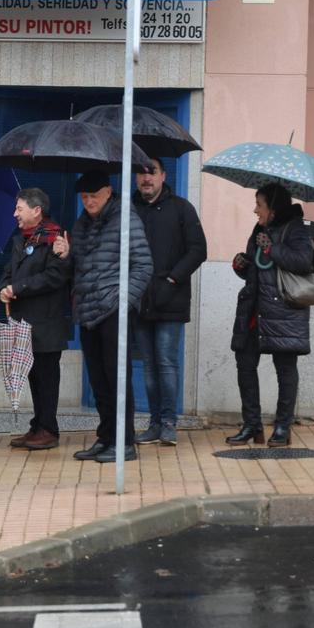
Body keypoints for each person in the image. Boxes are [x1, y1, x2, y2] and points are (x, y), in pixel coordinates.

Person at [55, 171, 152, 463]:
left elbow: (144, 265)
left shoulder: (126, 218)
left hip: (113, 311)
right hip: (87, 312)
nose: (88, 202)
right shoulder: (83, 223)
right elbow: (79, 267)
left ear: (108, 192)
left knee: (117, 378)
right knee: (99, 380)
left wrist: (122, 301)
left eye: (93, 196)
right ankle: (106, 437)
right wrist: (66, 254)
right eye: (84, 197)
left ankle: (125, 443)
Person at [228, 183, 314, 447]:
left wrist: (271, 249)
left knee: (285, 370)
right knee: (245, 364)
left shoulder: (296, 229)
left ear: (274, 209)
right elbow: (256, 270)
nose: (255, 210)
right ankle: (252, 425)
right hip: (255, 310)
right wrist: (241, 264)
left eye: (260, 205)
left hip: (283, 312)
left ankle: (282, 427)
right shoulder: (260, 229)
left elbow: (303, 261)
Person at [131, 158, 207, 447]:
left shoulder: (182, 209)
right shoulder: (129, 210)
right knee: (149, 365)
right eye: (141, 172)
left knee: (165, 362)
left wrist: (173, 279)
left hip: (170, 300)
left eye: (152, 172)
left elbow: (198, 249)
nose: (146, 178)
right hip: (140, 300)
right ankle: (152, 423)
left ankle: (169, 423)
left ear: (163, 175)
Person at [0, 188, 72, 451]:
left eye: (19, 208)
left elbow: (54, 277)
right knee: (33, 377)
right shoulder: (21, 239)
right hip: (24, 323)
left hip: (47, 323)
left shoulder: (56, 238)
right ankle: (37, 425)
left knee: (47, 378)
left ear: (36, 210)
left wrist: (19, 288)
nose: (14, 213)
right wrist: (5, 287)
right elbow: (9, 271)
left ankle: (49, 429)